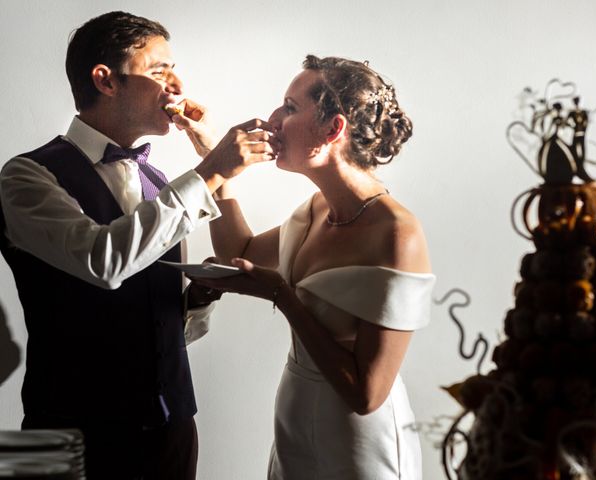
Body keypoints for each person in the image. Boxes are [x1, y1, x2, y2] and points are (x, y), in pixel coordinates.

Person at [0, 11, 273, 480]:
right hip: (61, 432)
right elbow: (102, 261)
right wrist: (212, 170)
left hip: (171, 427)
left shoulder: (159, 182)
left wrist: (197, 299)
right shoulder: (24, 176)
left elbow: (164, 329)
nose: (177, 84)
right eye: (159, 70)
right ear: (106, 80)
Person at [193, 55, 435, 479]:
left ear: (333, 128)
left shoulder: (398, 233)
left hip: (358, 444)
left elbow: (366, 394)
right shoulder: (317, 208)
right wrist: (216, 167)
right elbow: (239, 248)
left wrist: (282, 297)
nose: (271, 120)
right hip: (295, 423)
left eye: (289, 107)